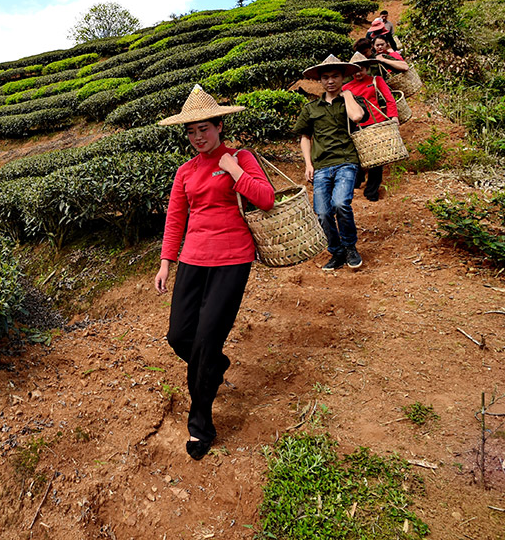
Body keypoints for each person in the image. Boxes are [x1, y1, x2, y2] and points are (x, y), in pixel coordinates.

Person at [153, 85, 274, 460]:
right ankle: (215, 365)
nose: (197, 137)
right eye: (191, 132)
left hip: (232, 260)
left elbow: (266, 198)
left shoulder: (239, 157)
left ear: (219, 126)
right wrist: (165, 262)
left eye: (204, 128)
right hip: (192, 259)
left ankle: (200, 425)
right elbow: (176, 218)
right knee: (179, 336)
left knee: (205, 342)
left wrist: (235, 169)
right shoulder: (185, 171)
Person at [292, 54, 369, 271]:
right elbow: (305, 137)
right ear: (320, 81)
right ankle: (337, 252)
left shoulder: (351, 100)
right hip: (321, 165)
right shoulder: (311, 109)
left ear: (343, 77)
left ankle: (350, 247)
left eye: (335, 76)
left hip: (346, 161)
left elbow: (357, 117)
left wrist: (347, 95)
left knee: (340, 204)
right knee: (323, 212)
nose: (330, 81)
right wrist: (308, 164)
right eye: (325, 77)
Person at [345, 52, 398, 202]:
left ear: (367, 68)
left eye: (361, 69)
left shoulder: (376, 80)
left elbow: (389, 99)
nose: (358, 73)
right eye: (355, 70)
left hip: (377, 123)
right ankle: (356, 184)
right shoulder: (346, 88)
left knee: (377, 160)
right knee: (357, 157)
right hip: (357, 125)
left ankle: (372, 191)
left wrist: (394, 117)